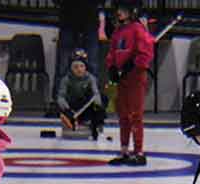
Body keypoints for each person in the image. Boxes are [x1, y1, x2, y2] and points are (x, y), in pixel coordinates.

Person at [106, 0, 154, 166]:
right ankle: (124, 150)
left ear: (132, 11)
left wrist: (133, 64)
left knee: (135, 114)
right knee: (123, 114)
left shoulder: (138, 29)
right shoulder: (118, 31)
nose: (119, 12)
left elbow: (145, 52)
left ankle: (139, 151)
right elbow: (112, 52)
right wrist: (112, 67)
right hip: (122, 78)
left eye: (123, 9)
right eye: (118, 9)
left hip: (135, 76)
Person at [52, 0, 103, 112]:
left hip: (76, 16)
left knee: (66, 65)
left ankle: (93, 103)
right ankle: (61, 103)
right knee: (67, 65)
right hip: (76, 17)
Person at [57, 48, 106, 140]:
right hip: (71, 107)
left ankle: (97, 126)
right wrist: (67, 109)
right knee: (60, 108)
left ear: (85, 67)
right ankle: (70, 121)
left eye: (81, 66)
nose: (79, 69)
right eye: (75, 67)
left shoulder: (91, 78)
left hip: (85, 106)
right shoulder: (66, 80)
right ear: (71, 68)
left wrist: (97, 104)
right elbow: (61, 97)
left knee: (102, 100)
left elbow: (96, 94)